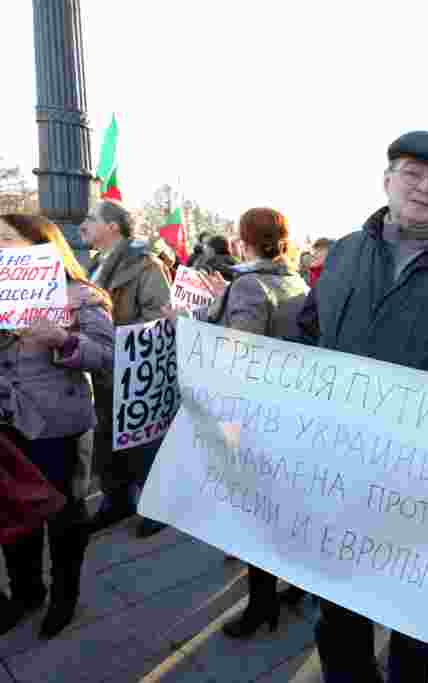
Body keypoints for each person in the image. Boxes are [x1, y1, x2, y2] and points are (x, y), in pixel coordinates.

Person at [296, 130, 428, 683]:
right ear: (387, 179)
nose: (425, 188)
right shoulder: (344, 252)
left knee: (412, 622)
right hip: (340, 470)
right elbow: (310, 336)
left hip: (422, 480)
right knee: (337, 618)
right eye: (414, 174)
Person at [188, 208, 312, 639]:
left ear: (244, 241)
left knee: (254, 515)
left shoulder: (248, 285)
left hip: (253, 417)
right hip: (289, 413)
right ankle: (292, 586)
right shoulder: (295, 280)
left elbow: (238, 357)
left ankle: (261, 606)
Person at [0, 214, 115, 638]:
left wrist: (63, 341)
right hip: (8, 425)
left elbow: (108, 358)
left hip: (59, 427)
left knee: (64, 517)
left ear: (40, 245)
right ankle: (26, 591)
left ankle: (64, 596)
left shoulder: (82, 296)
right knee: (15, 512)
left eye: (6, 238)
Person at [79, 200, 173, 538]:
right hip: (105, 370)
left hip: (134, 371)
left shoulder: (146, 266)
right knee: (108, 439)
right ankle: (116, 501)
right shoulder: (95, 264)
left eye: (91, 219)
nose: (83, 224)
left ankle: (157, 505)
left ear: (113, 227)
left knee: (143, 441)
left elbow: (159, 317)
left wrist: (111, 334)